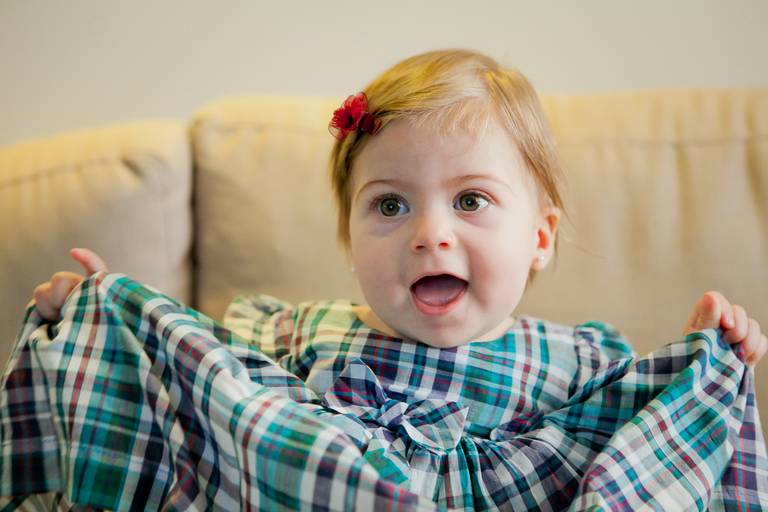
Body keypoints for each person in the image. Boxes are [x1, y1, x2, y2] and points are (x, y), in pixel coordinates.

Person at [9, 49, 768, 510]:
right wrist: (95, 320)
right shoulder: (293, 335)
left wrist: (697, 365)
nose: (429, 233)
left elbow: (644, 447)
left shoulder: (582, 363)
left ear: (539, 238)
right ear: (351, 241)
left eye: (470, 200)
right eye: (390, 205)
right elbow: (192, 386)